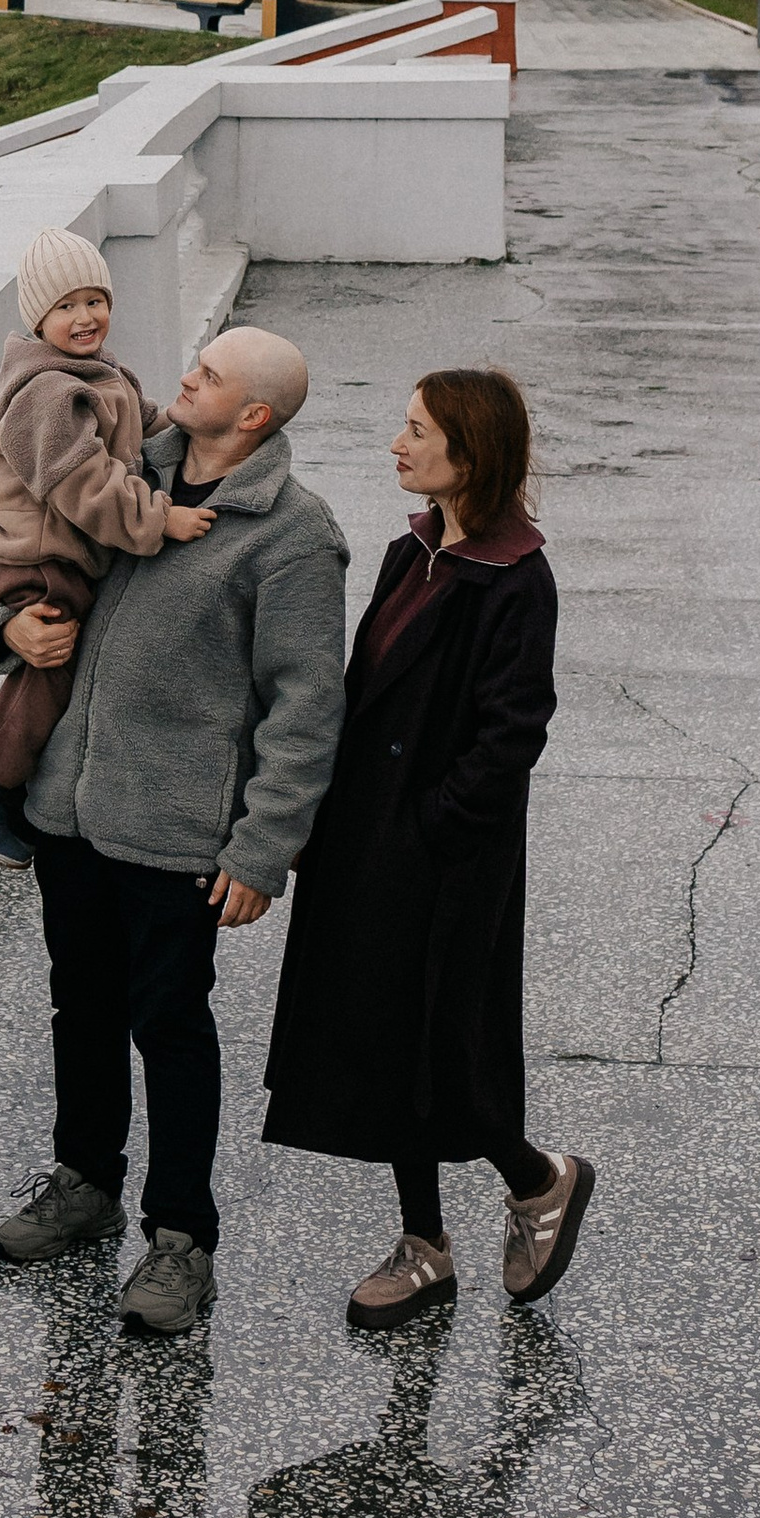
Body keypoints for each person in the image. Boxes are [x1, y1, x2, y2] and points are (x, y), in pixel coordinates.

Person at [0, 324, 348, 1338]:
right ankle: (84, 1180)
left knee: (170, 1028)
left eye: (207, 374)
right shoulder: (119, 475)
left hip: (179, 833)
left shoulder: (291, 535)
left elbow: (306, 705)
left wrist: (260, 849)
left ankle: (181, 1237)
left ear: (253, 415)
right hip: (70, 805)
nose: (180, 376)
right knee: (81, 1007)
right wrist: (6, 628)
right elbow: (30, 559)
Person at [261, 364, 593, 1328]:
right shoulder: (413, 551)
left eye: (416, 430)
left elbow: (514, 729)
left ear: (469, 452)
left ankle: (539, 1179)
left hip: (444, 856)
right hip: (366, 836)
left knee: (446, 1040)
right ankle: (425, 1247)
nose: (397, 443)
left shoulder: (515, 576)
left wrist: (432, 824)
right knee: (380, 1039)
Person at [0, 227, 214, 871]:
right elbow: (82, 482)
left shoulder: (98, 371)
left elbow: (142, 426)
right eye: (65, 307)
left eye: (95, 300)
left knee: (62, 662)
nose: (85, 317)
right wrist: (158, 519)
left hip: (62, 552)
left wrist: (194, 424)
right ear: (37, 318)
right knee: (50, 666)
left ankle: (6, 783)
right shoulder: (46, 395)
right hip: (38, 556)